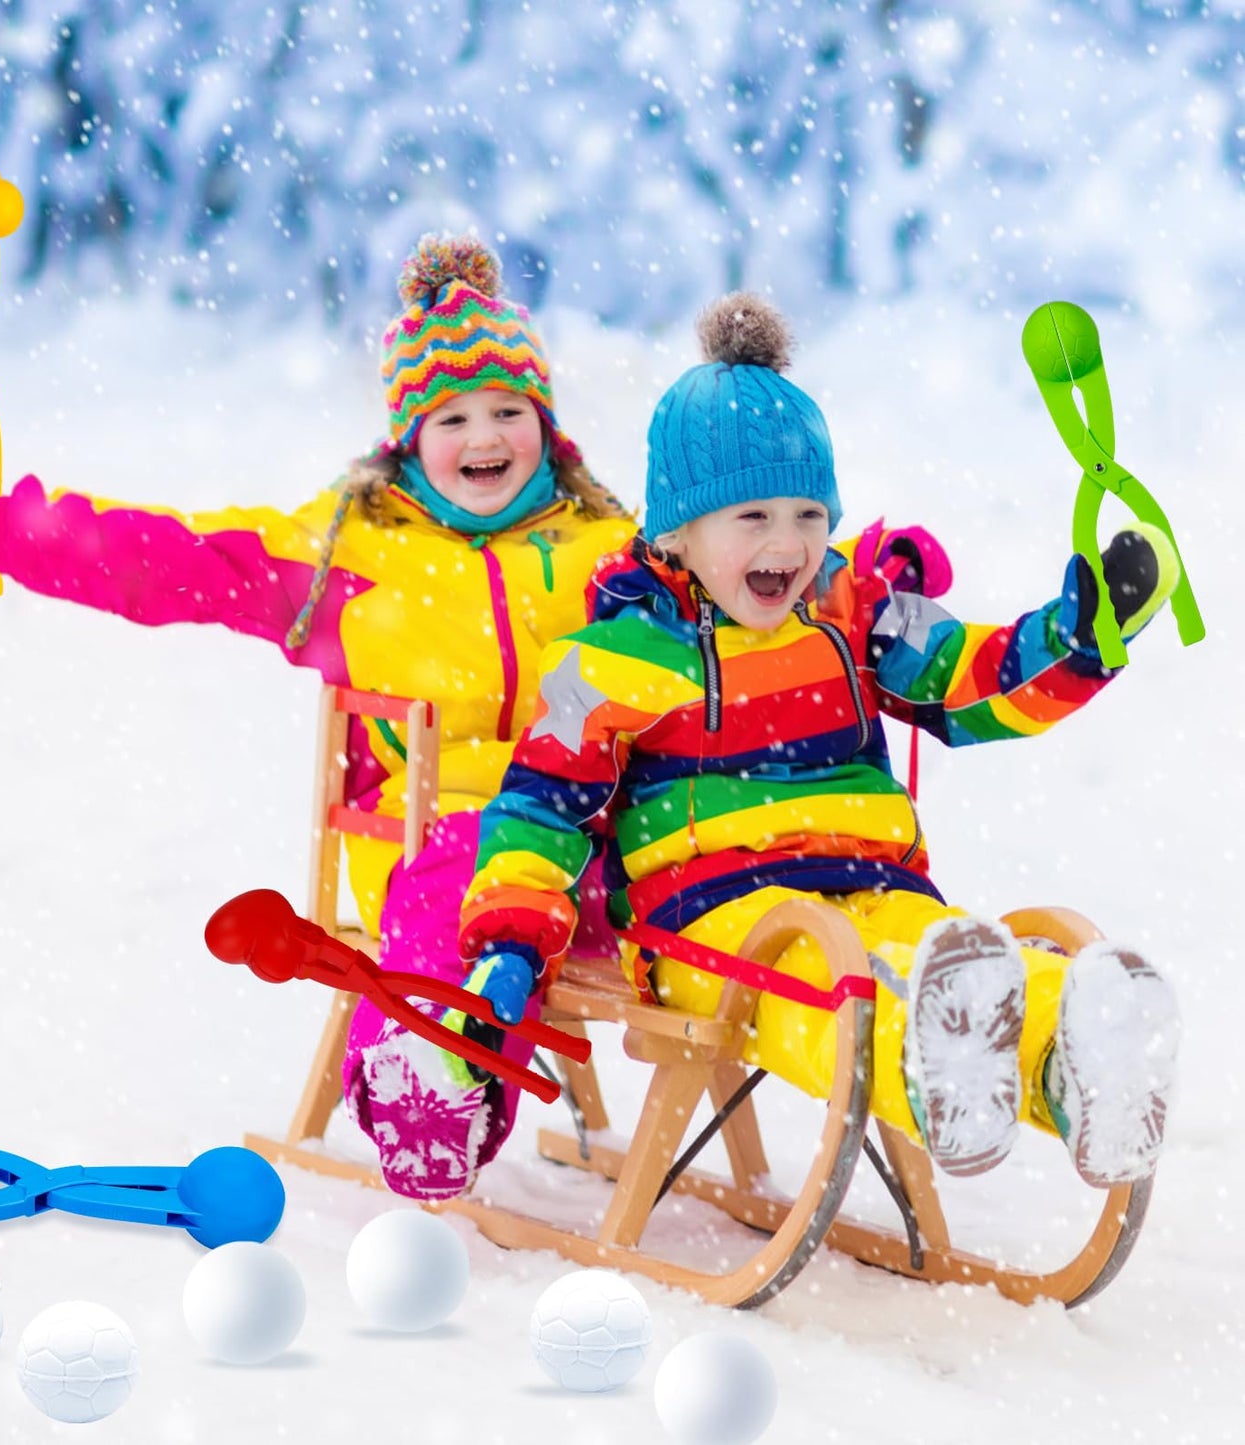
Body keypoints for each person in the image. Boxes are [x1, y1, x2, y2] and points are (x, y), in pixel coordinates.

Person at [0, 234, 645, 1199]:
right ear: (409, 434)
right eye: (452, 416)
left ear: (545, 421)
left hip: (603, 836)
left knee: (699, 849)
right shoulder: (348, 550)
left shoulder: (613, 549)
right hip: (441, 839)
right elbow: (167, 560)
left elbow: (738, 597)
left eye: (507, 410)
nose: (484, 437)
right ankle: (426, 1080)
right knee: (461, 871)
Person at [444, 291, 1182, 1197]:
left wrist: (1077, 634)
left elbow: (970, 681)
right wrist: (509, 943)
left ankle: (1074, 1053)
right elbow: (538, 810)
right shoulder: (602, 664)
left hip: (874, 881)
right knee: (826, 984)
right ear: (678, 531)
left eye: (807, 514)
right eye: (752, 518)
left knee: (943, 949)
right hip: (707, 915)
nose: (787, 543)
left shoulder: (855, 614)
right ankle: (927, 1068)